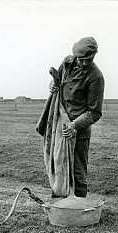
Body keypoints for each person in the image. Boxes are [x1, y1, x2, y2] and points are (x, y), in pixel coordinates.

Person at [50, 37, 104, 198]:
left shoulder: (96, 77)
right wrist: (52, 85)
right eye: (81, 60)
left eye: (89, 59)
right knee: (58, 164)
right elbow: (57, 83)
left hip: (79, 130)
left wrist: (74, 125)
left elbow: (95, 112)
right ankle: (58, 205)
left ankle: (79, 209)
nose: (85, 63)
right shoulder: (67, 62)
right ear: (75, 56)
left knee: (78, 170)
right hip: (61, 126)